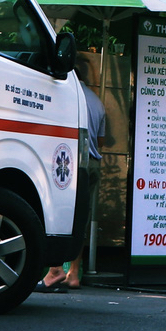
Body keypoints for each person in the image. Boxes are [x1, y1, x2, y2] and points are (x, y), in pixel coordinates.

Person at [39, 27, 111, 294]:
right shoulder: (98, 102)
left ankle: (55, 270)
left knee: (62, 215)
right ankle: (74, 273)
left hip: (72, 166)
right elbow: (101, 143)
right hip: (93, 165)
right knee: (81, 220)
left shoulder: (68, 97)